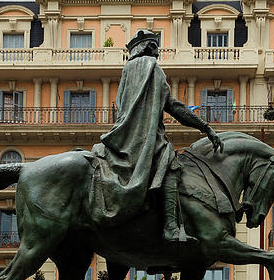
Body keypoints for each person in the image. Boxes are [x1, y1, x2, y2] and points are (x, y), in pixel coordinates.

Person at [88, 30, 222, 242]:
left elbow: (121, 104)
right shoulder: (153, 68)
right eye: (155, 46)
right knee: (170, 165)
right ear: (149, 48)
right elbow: (173, 106)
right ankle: (170, 226)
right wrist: (205, 127)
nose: (157, 51)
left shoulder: (127, 70)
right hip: (147, 138)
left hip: (123, 136)